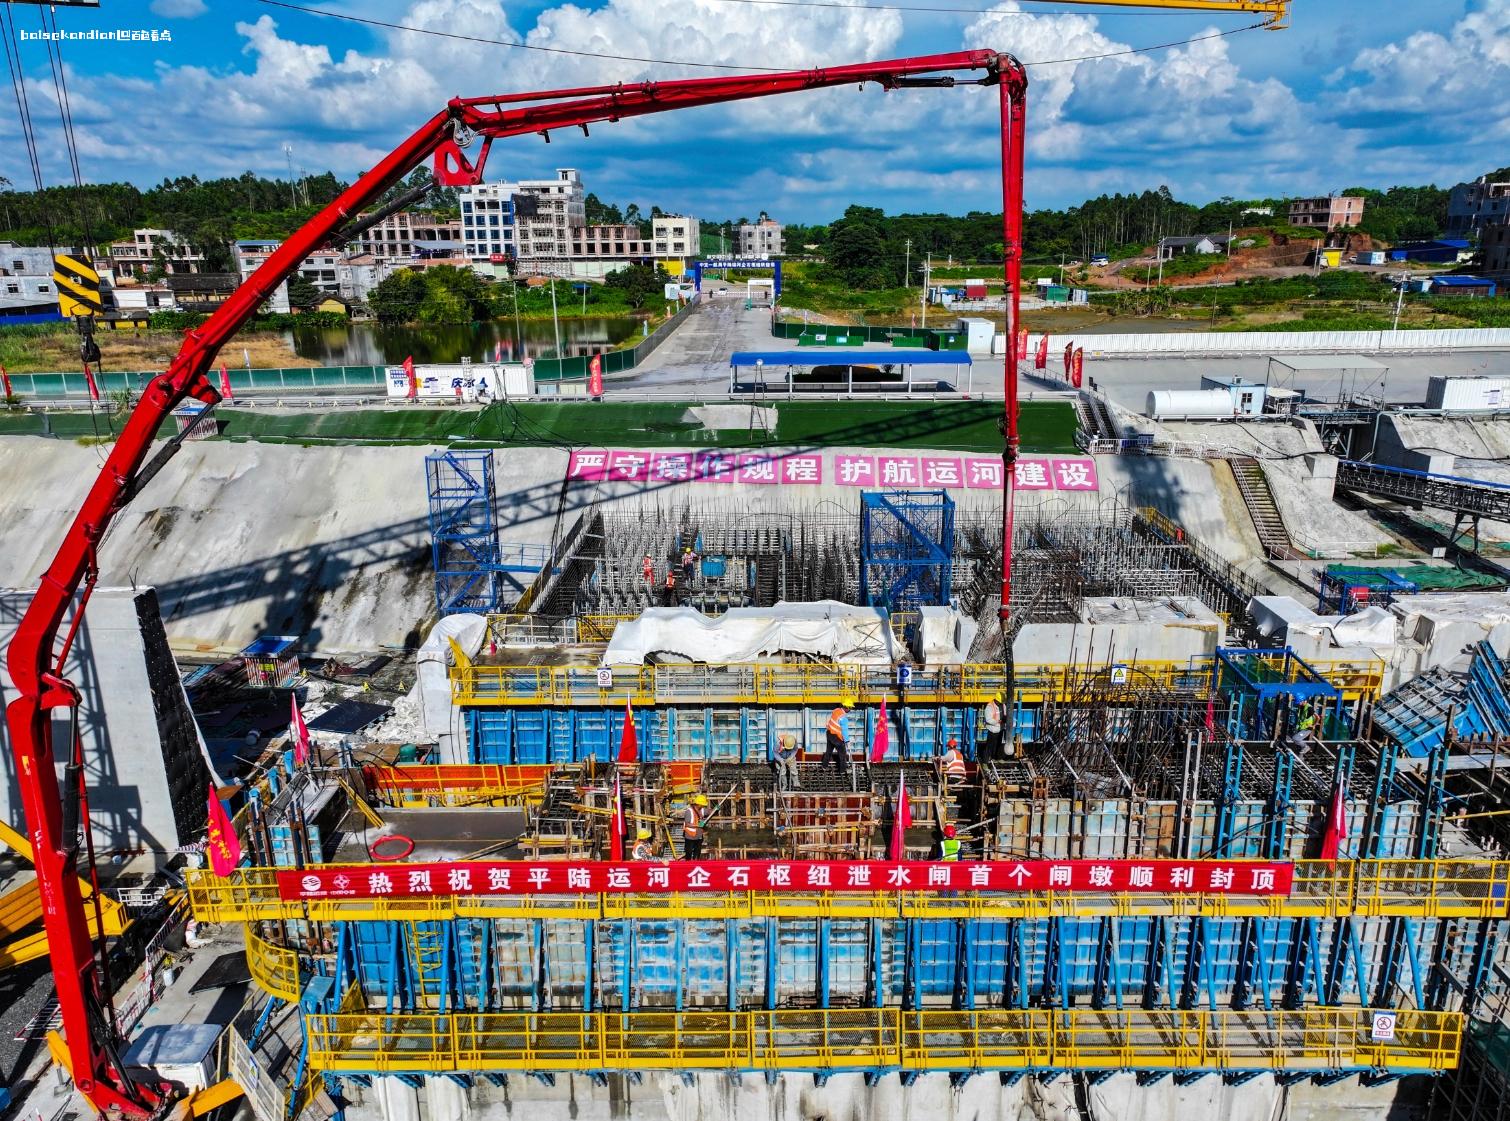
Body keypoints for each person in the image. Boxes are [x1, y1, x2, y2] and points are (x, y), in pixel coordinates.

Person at [822, 701, 851, 772]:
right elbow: (844, 731)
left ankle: (824, 766)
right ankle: (842, 771)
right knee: (842, 754)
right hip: (836, 737)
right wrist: (847, 741)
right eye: (850, 708)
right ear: (846, 707)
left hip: (829, 733)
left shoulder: (836, 710)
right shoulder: (843, 718)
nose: (851, 710)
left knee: (828, 751)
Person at [683, 794, 708, 860]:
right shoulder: (689, 811)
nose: (703, 806)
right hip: (690, 836)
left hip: (699, 836)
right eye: (702, 804)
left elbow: (709, 811)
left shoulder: (702, 810)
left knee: (697, 853)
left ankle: (696, 865)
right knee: (689, 852)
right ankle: (688, 866)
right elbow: (687, 824)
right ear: (698, 804)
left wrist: (715, 809)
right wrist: (697, 825)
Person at [982, 696, 1003, 762]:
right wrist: (997, 721)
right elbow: (988, 719)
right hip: (992, 729)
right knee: (989, 746)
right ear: (996, 700)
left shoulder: (1002, 705)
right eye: (999, 702)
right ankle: (985, 761)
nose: (1000, 703)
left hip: (1000, 729)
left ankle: (996, 758)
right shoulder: (989, 707)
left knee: (998, 745)